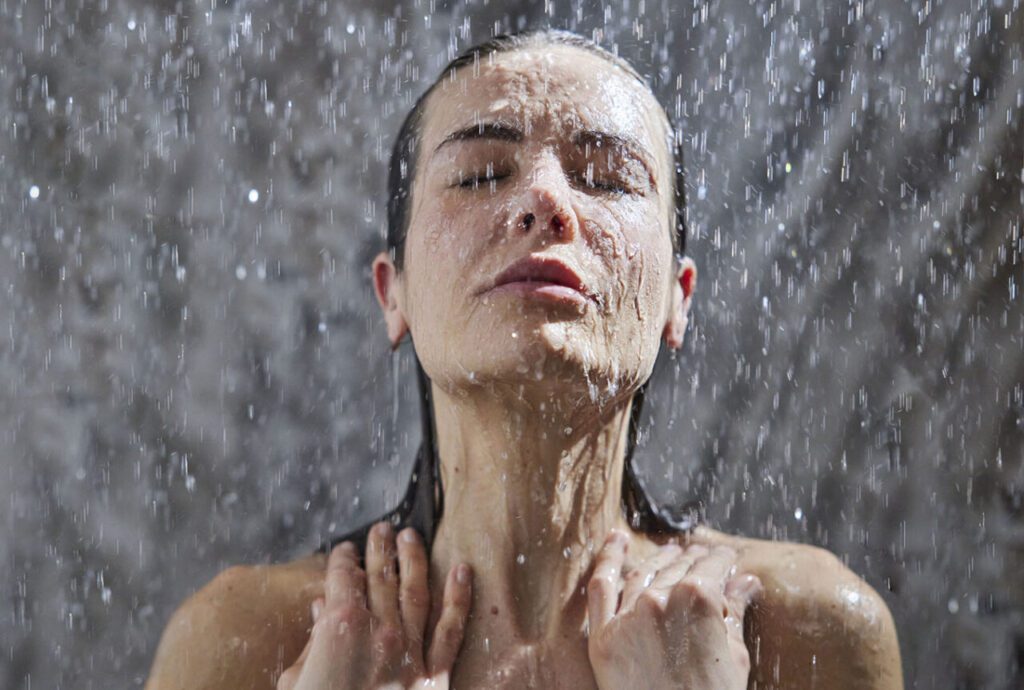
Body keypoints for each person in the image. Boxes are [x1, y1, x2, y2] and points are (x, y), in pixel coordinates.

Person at [144, 28, 904, 689]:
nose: (546, 201)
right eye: (479, 175)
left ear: (678, 298)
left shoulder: (807, 630)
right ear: (393, 292)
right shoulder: (249, 640)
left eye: (607, 178)